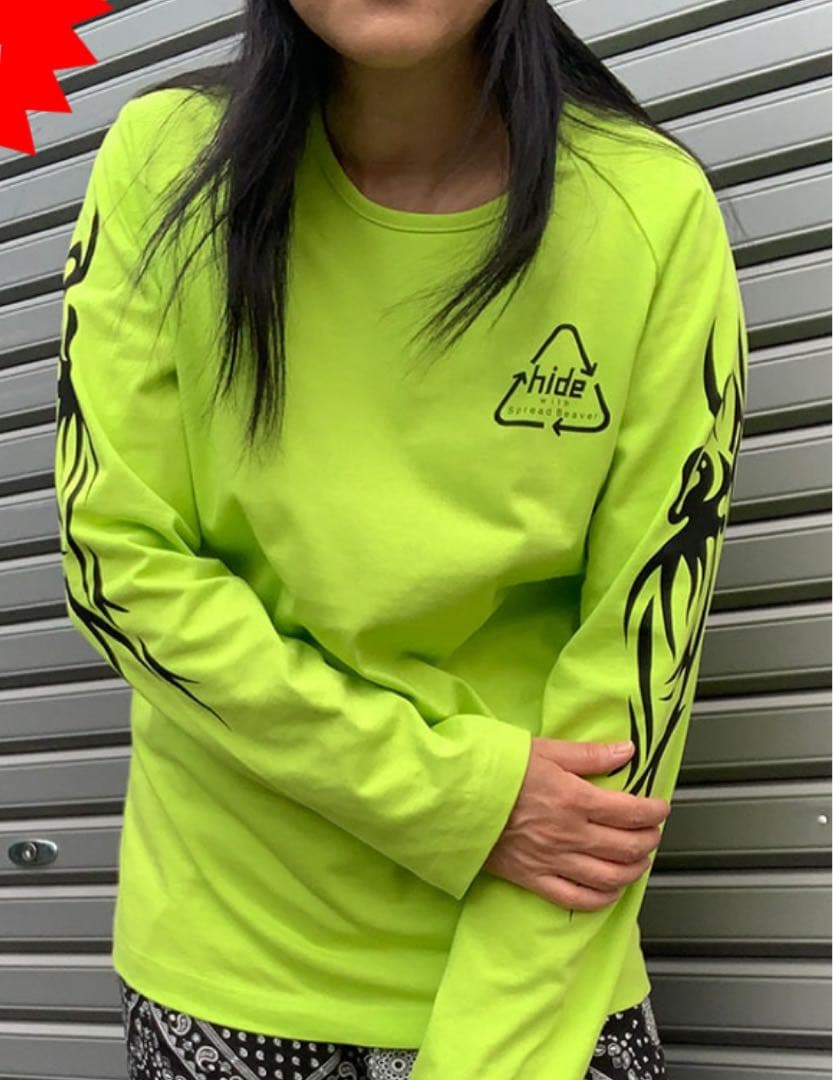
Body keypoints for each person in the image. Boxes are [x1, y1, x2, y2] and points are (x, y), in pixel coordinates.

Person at [54, 1, 748, 1078]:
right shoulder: (164, 162)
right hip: (226, 966)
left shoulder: (648, 207)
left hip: (533, 975)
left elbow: (633, 678)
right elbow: (118, 565)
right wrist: (455, 798)